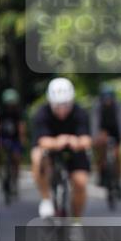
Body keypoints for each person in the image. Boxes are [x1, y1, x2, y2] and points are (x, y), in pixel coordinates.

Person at [30, 77, 92, 219]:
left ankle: (76, 219)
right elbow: (42, 140)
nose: (62, 110)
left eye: (66, 105)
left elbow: (87, 139)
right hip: (50, 149)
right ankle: (46, 199)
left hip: (74, 150)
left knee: (80, 182)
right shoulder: (42, 113)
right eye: (58, 106)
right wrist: (58, 141)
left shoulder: (80, 112)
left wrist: (75, 141)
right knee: (37, 156)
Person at [91, 83, 121, 198]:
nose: (107, 100)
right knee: (100, 152)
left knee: (117, 155)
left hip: (115, 131)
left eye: (109, 98)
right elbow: (95, 123)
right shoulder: (98, 106)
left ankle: (118, 180)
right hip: (102, 131)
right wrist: (95, 136)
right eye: (105, 98)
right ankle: (101, 173)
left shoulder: (118, 106)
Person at [0, 88, 27, 199]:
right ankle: (0, 169)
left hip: (15, 139)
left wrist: (22, 139)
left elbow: (21, 127)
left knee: (16, 158)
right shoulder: (0, 111)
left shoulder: (18, 112)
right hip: (3, 138)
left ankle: (15, 178)